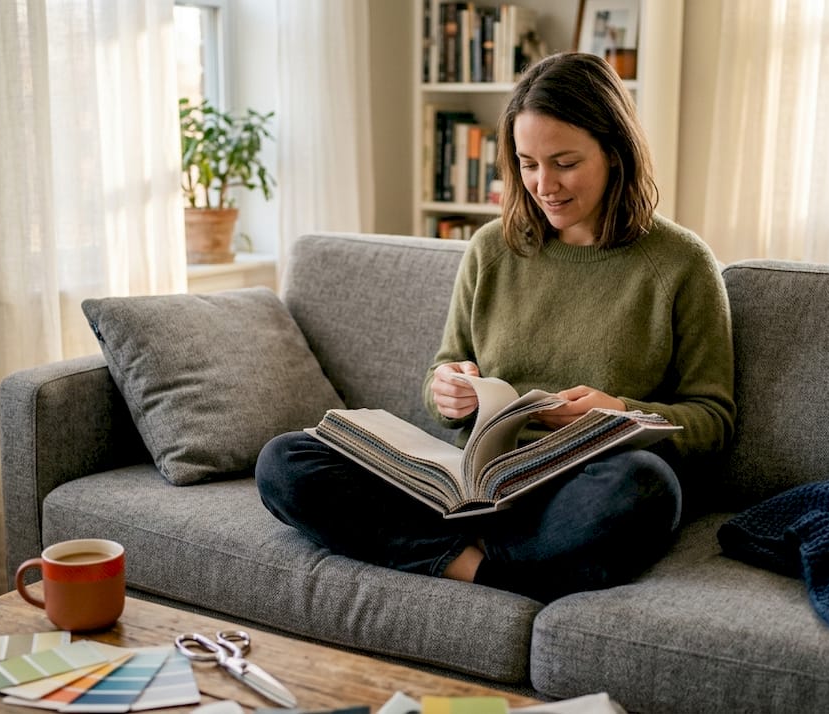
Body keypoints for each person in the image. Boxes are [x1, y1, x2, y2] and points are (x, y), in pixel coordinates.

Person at [255, 51, 734, 603]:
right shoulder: (491, 249)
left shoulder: (680, 263)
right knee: (286, 460)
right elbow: (444, 369)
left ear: (614, 151)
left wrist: (617, 413)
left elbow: (713, 419)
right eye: (528, 164)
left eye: (565, 163)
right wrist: (448, 390)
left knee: (646, 485)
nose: (544, 185)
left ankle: (454, 558)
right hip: (473, 484)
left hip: (576, 492)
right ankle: (505, 572)